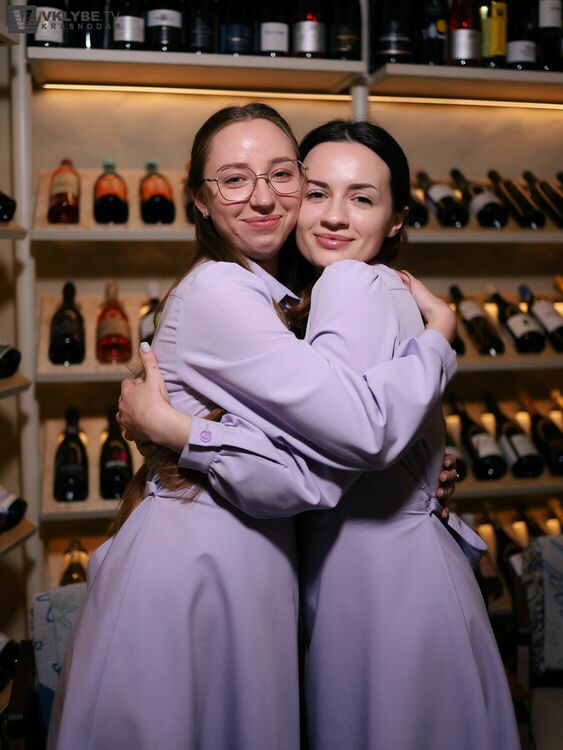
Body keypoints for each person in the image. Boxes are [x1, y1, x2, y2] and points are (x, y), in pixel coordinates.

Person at [48, 105, 458, 750]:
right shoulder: (221, 291)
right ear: (199, 199)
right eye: (234, 179)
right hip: (196, 569)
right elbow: (334, 456)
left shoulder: (281, 296)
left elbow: (340, 433)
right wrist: (438, 339)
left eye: (282, 174)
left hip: (248, 566)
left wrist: (419, 462)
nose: (264, 198)